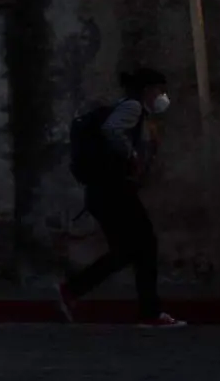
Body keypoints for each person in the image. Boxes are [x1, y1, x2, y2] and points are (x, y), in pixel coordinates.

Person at [59, 68, 185, 328]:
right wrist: (132, 156)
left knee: (127, 251)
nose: (163, 96)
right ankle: (150, 314)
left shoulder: (135, 112)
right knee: (145, 245)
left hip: (105, 192)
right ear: (148, 90)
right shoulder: (133, 108)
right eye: (160, 90)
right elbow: (112, 130)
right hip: (113, 191)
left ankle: (72, 290)